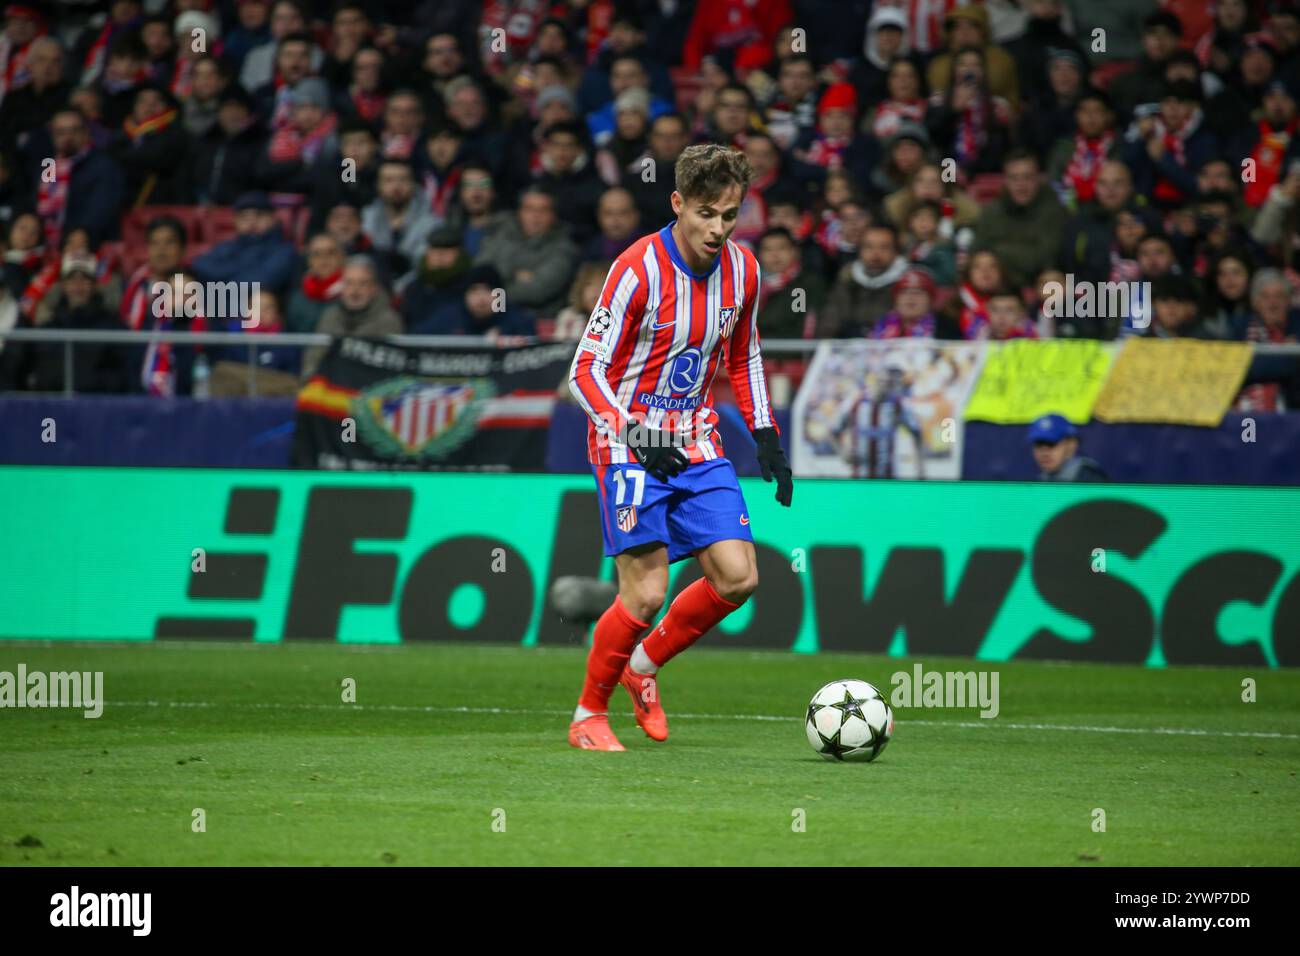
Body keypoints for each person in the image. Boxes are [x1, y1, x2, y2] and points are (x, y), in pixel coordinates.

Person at [565, 143, 793, 752]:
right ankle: (589, 714)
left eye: (729, 214)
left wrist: (765, 435)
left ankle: (643, 667)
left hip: (695, 439)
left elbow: (742, 354)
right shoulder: (636, 268)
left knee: (740, 578)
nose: (718, 229)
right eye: (706, 213)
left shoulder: (744, 269)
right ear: (677, 204)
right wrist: (635, 432)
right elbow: (584, 371)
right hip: (627, 443)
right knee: (644, 592)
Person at [1028, 413, 1108, 482]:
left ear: (1071, 445)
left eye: (1051, 444)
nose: (1044, 453)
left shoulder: (1091, 479)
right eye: (1038, 444)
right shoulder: (1041, 480)